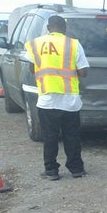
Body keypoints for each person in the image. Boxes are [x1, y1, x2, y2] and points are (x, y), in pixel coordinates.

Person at [25, 15, 89, 180]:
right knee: (72, 136)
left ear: (48, 28)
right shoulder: (73, 44)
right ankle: (76, 169)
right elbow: (83, 72)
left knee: (49, 137)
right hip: (70, 100)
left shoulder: (36, 44)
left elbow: (32, 69)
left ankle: (51, 170)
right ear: (65, 29)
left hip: (47, 99)